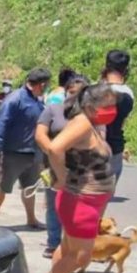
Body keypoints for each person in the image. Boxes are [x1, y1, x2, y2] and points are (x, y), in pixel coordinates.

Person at [33, 83, 118, 273]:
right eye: (107, 105)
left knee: (68, 248)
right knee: (82, 256)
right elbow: (55, 148)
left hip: (86, 201)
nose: (112, 110)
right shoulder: (82, 123)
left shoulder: (93, 124)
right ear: (90, 106)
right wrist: (60, 177)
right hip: (80, 199)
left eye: (113, 105)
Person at [35, 74, 90, 259]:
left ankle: (72, 246)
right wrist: (53, 151)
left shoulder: (90, 115)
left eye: (79, 92)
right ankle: (53, 243)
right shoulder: (52, 110)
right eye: (71, 92)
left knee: (76, 210)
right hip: (52, 167)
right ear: (65, 91)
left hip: (80, 170)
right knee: (53, 206)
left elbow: (100, 139)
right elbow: (40, 134)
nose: (74, 96)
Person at [0, 68, 50, 227]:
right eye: (46, 85)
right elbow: (2, 122)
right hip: (13, 153)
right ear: (41, 84)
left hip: (33, 153)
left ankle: (31, 219)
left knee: (30, 188)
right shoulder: (14, 99)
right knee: (3, 187)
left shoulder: (37, 100)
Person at [101, 50, 135, 186]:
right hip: (116, 146)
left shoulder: (95, 91)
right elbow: (122, 123)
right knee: (106, 194)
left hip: (94, 147)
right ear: (126, 68)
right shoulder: (128, 93)